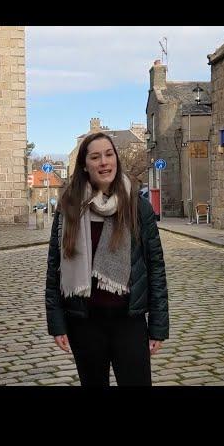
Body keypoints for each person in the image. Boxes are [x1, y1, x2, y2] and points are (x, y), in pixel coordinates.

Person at [45, 132, 168, 386]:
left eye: (109, 155)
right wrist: (57, 323)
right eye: (95, 156)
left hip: (129, 322)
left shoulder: (137, 206)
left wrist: (157, 326)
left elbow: (155, 267)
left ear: (116, 160)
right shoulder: (69, 208)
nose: (104, 162)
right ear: (84, 165)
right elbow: (54, 268)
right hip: (85, 323)